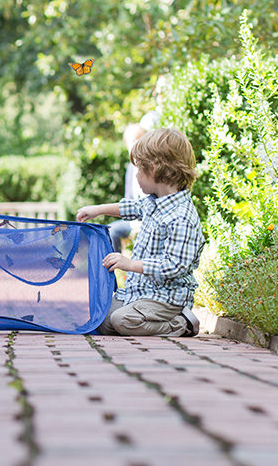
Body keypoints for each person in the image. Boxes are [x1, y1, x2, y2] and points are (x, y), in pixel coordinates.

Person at [76, 127, 204, 337]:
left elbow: (173, 265)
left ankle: (181, 324)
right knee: (100, 318)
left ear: (153, 170)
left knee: (121, 320)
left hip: (166, 299)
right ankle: (138, 319)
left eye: (138, 170)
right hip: (142, 294)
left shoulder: (181, 216)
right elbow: (130, 208)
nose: (135, 175)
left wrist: (130, 265)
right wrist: (98, 210)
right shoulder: (155, 202)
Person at [108, 121, 148, 251]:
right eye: (133, 141)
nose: (136, 144)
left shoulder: (152, 167)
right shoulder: (130, 169)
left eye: (139, 140)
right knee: (110, 231)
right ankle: (116, 269)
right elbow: (129, 200)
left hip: (149, 220)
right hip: (134, 221)